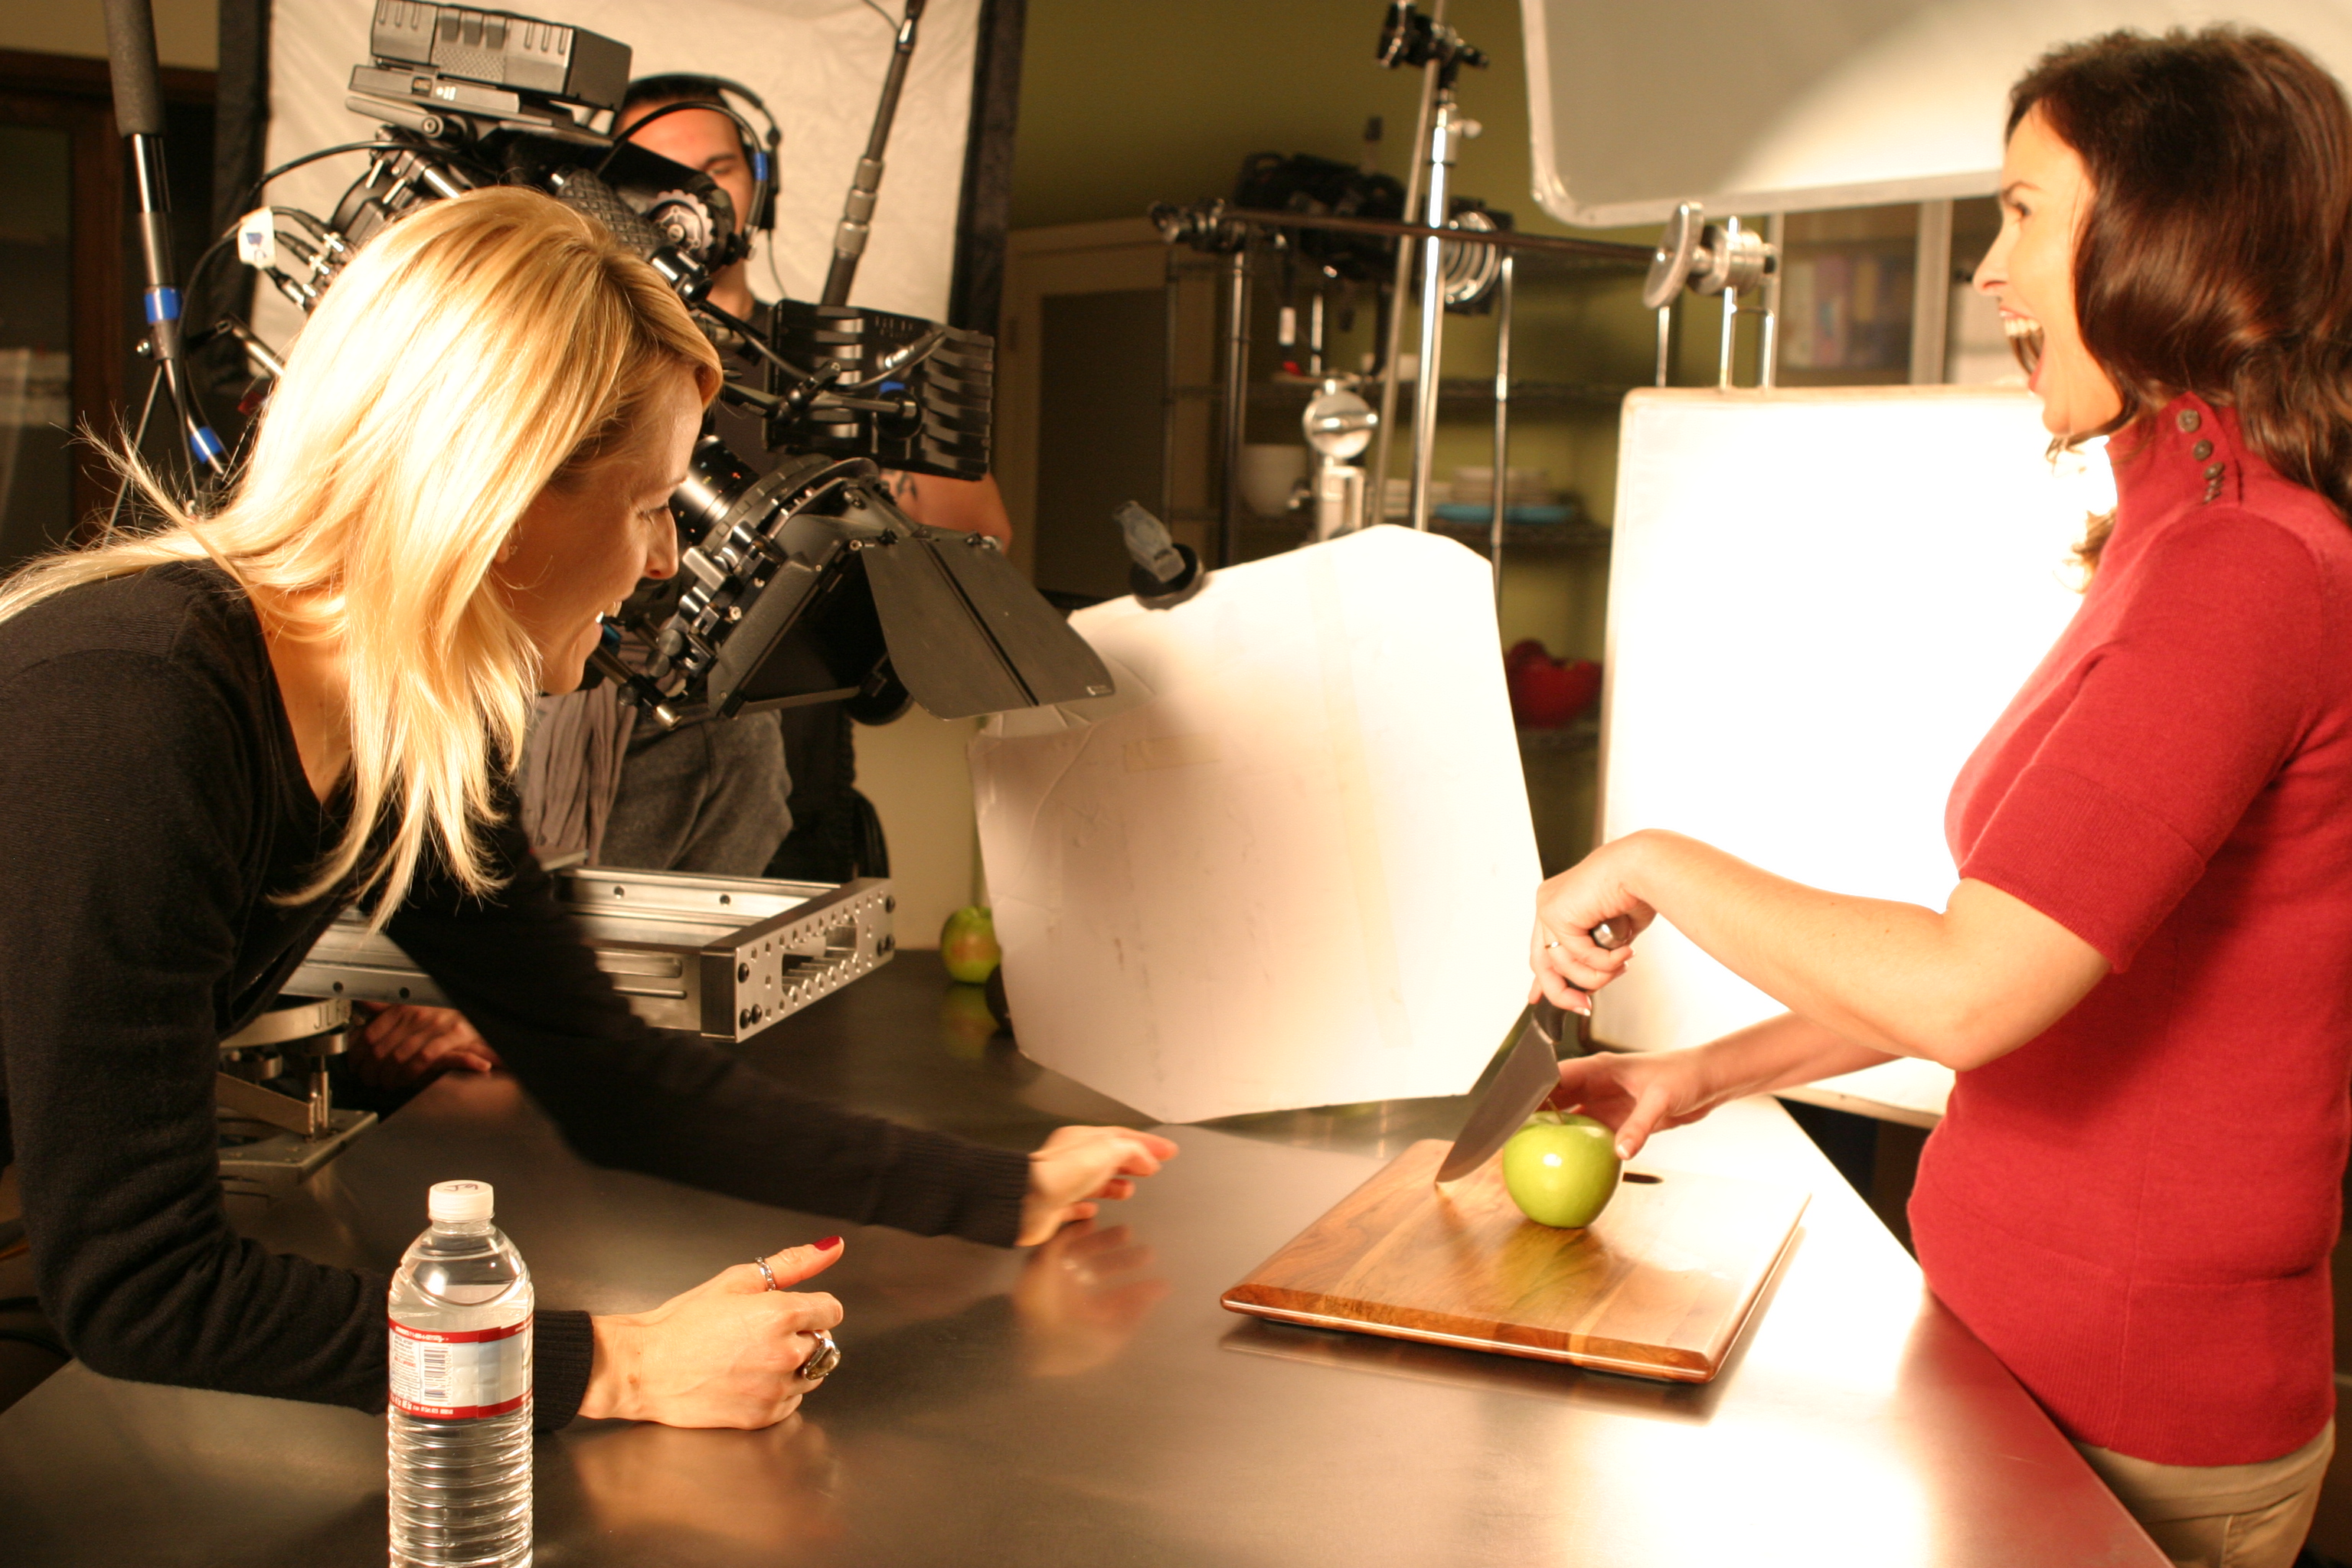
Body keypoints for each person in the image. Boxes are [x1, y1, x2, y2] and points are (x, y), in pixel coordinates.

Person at [0, 186, 1174, 1429]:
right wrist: (619, 1366)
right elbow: (142, 1288)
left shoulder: (414, 735)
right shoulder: (132, 712)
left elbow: (606, 1073)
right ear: (502, 503)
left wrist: (1003, 1192)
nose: (667, 557)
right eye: (646, 501)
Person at [1530, 28, 2350, 1568]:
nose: (1990, 268)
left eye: (2026, 212)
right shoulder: (2186, 538)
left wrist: (1651, 859)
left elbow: (1972, 989)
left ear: (2173, 243)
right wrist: (1693, 1077)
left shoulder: (2246, 567)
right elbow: (2047, 967)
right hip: (2036, 1377)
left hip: (2130, 1415)